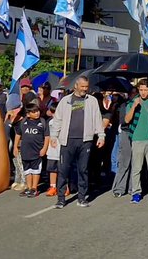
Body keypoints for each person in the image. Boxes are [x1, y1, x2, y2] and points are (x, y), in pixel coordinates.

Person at [48, 76, 104, 209]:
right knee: (63, 170)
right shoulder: (65, 101)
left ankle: (82, 197)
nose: (85, 89)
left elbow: (97, 118)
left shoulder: (92, 101)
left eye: (86, 87)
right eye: (82, 86)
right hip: (67, 141)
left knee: (83, 170)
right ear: (76, 86)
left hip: (85, 141)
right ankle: (61, 199)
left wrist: (101, 136)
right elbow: (58, 119)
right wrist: (54, 136)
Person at [124, 79, 148, 204]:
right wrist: (134, 107)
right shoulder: (133, 102)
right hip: (137, 139)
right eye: (141, 90)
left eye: (145, 90)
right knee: (137, 168)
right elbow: (127, 120)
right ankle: (136, 192)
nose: (143, 92)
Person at [14, 102, 48, 197]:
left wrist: (44, 148)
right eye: (34, 112)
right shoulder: (23, 122)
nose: (37, 113)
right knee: (27, 170)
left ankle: (34, 188)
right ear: (28, 114)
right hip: (25, 151)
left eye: (37, 111)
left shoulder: (42, 122)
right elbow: (18, 134)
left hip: (37, 151)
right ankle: (28, 188)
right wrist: (15, 147)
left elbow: (47, 137)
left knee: (36, 170)